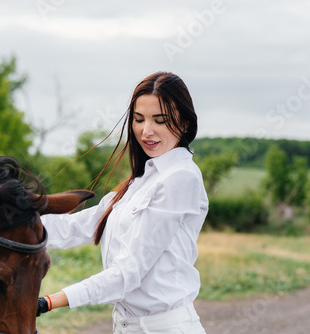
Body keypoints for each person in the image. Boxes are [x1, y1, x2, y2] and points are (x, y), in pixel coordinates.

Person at [37, 71, 208, 333]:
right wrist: (11, 224)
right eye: (139, 119)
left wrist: (51, 301)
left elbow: (129, 272)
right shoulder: (139, 182)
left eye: (159, 121)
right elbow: (80, 225)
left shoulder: (180, 178)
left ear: (184, 123)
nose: (146, 131)